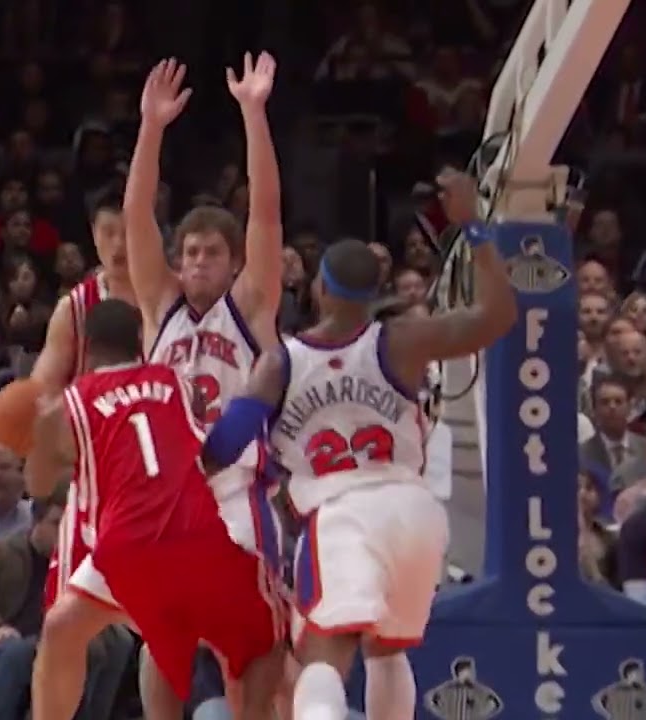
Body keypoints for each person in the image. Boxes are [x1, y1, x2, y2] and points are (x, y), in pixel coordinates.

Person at [201, 170, 517, 720]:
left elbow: (227, 442)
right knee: (387, 649)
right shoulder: (404, 340)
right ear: (376, 293)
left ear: (320, 287)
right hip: (415, 513)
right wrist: (474, 228)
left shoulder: (281, 361)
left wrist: (181, 471)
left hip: (343, 513)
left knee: (323, 655)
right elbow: (499, 316)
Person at [25, 299, 283, 720]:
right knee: (263, 640)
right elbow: (199, 444)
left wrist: (35, 439)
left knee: (62, 629)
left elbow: (38, 485)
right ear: (141, 344)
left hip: (127, 546)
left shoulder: (69, 403)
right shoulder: (177, 382)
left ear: (86, 348)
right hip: (193, 533)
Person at [123, 54, 285, 718]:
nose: (195, 261)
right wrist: (150, 128)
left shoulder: (249, 304)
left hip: (236, 487)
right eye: (188, 251)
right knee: (161, 634)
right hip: (168, 487)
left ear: (232, 261)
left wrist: (254, 113)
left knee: (252, 635)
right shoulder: (158, 305)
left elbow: (268, 214)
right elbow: (136, 214)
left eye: (210, 252)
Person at [30, 188, 136, 611]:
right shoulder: (75, 307)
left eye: (128, 233)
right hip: (95, 461)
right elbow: (43, 393)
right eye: (108, 233)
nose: (119, 244)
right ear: (93, 236)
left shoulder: (171, 297)